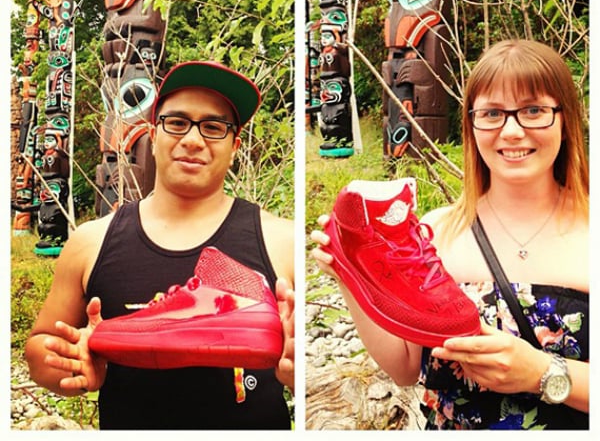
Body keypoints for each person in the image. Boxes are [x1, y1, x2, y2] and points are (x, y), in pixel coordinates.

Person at [311, 39, 588, 429]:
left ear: (565, 119)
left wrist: (541, 373)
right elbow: (405, 367)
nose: (511, 131)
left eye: (533, 110)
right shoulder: (437, 233)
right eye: (492, 113)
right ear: (472, 124)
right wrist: (349, 272)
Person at [25, 60, 295, 430]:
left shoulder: (282, 241)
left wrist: (299, 371)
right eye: (177, 122)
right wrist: (72, 362)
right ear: (153, 135)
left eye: (213, 127)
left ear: (234, 147)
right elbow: (40, 347)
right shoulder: (90, 242)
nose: (193, 140)